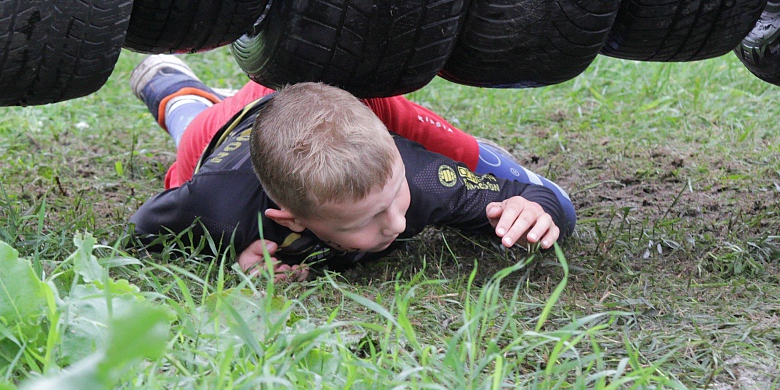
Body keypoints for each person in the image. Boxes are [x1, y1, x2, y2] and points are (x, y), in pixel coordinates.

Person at [128, 55, 576, 278]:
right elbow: (141, 236)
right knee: (189, 125)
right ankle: (172, 85)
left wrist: (536, 209)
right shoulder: (215, 202)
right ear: (290, 219)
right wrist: (225, 263)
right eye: (366, 220)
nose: (398, 222)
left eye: (394, 198)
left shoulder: (416, 179)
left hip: (343, 105)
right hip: (224, 133)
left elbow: (553, 201)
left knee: (485, 165)